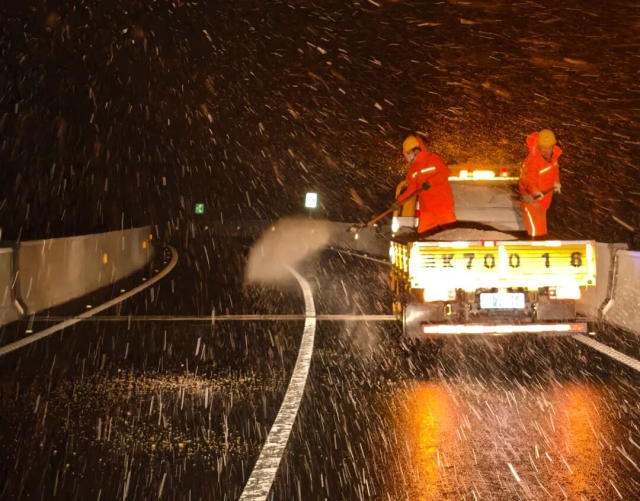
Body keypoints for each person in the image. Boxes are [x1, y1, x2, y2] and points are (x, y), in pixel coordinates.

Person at [397, 135, 456, 234]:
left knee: (449, 236)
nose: (408, 156)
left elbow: (444, 172)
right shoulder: (413, 170)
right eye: (407, 154)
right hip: (426, 210)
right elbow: (411, 190)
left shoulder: (433, 159)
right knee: (424, 237)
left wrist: (430, 182)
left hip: (443, 208)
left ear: (416, 150)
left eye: (409, 153)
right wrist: (399, 201)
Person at [518, 129, 562, 238]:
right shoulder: (533, 160)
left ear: (553, 146)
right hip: (531, 200)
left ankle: (539, 244)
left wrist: (556, 182)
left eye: (549, 147)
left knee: (541, 231)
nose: (547, 150)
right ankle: (534, 246)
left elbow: (554, 171)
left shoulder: (553, 158)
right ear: (538, 146)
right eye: (544, 147)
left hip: (543, 200)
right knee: (535, 232)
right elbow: (529, 180)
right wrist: (535, 191)